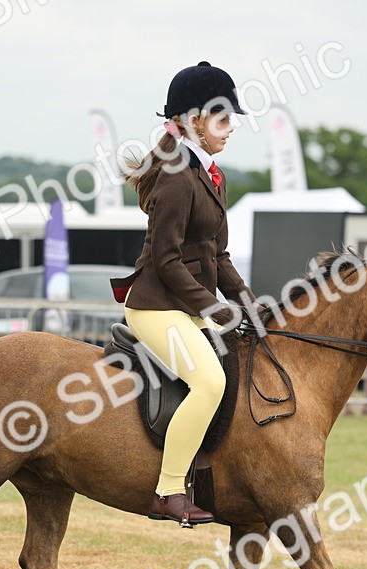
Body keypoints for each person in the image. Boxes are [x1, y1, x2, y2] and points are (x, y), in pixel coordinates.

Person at [112, 60, 256, 526]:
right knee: (209, 382)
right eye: (222, 119)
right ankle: (169, 490)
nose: (230, 128)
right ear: (193, 120)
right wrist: (215, 308)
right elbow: (167, 262)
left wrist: (248, 302)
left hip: (184, 307)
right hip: (155, 307)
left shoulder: (210, 174)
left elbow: (220, 255)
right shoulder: (177, 176)